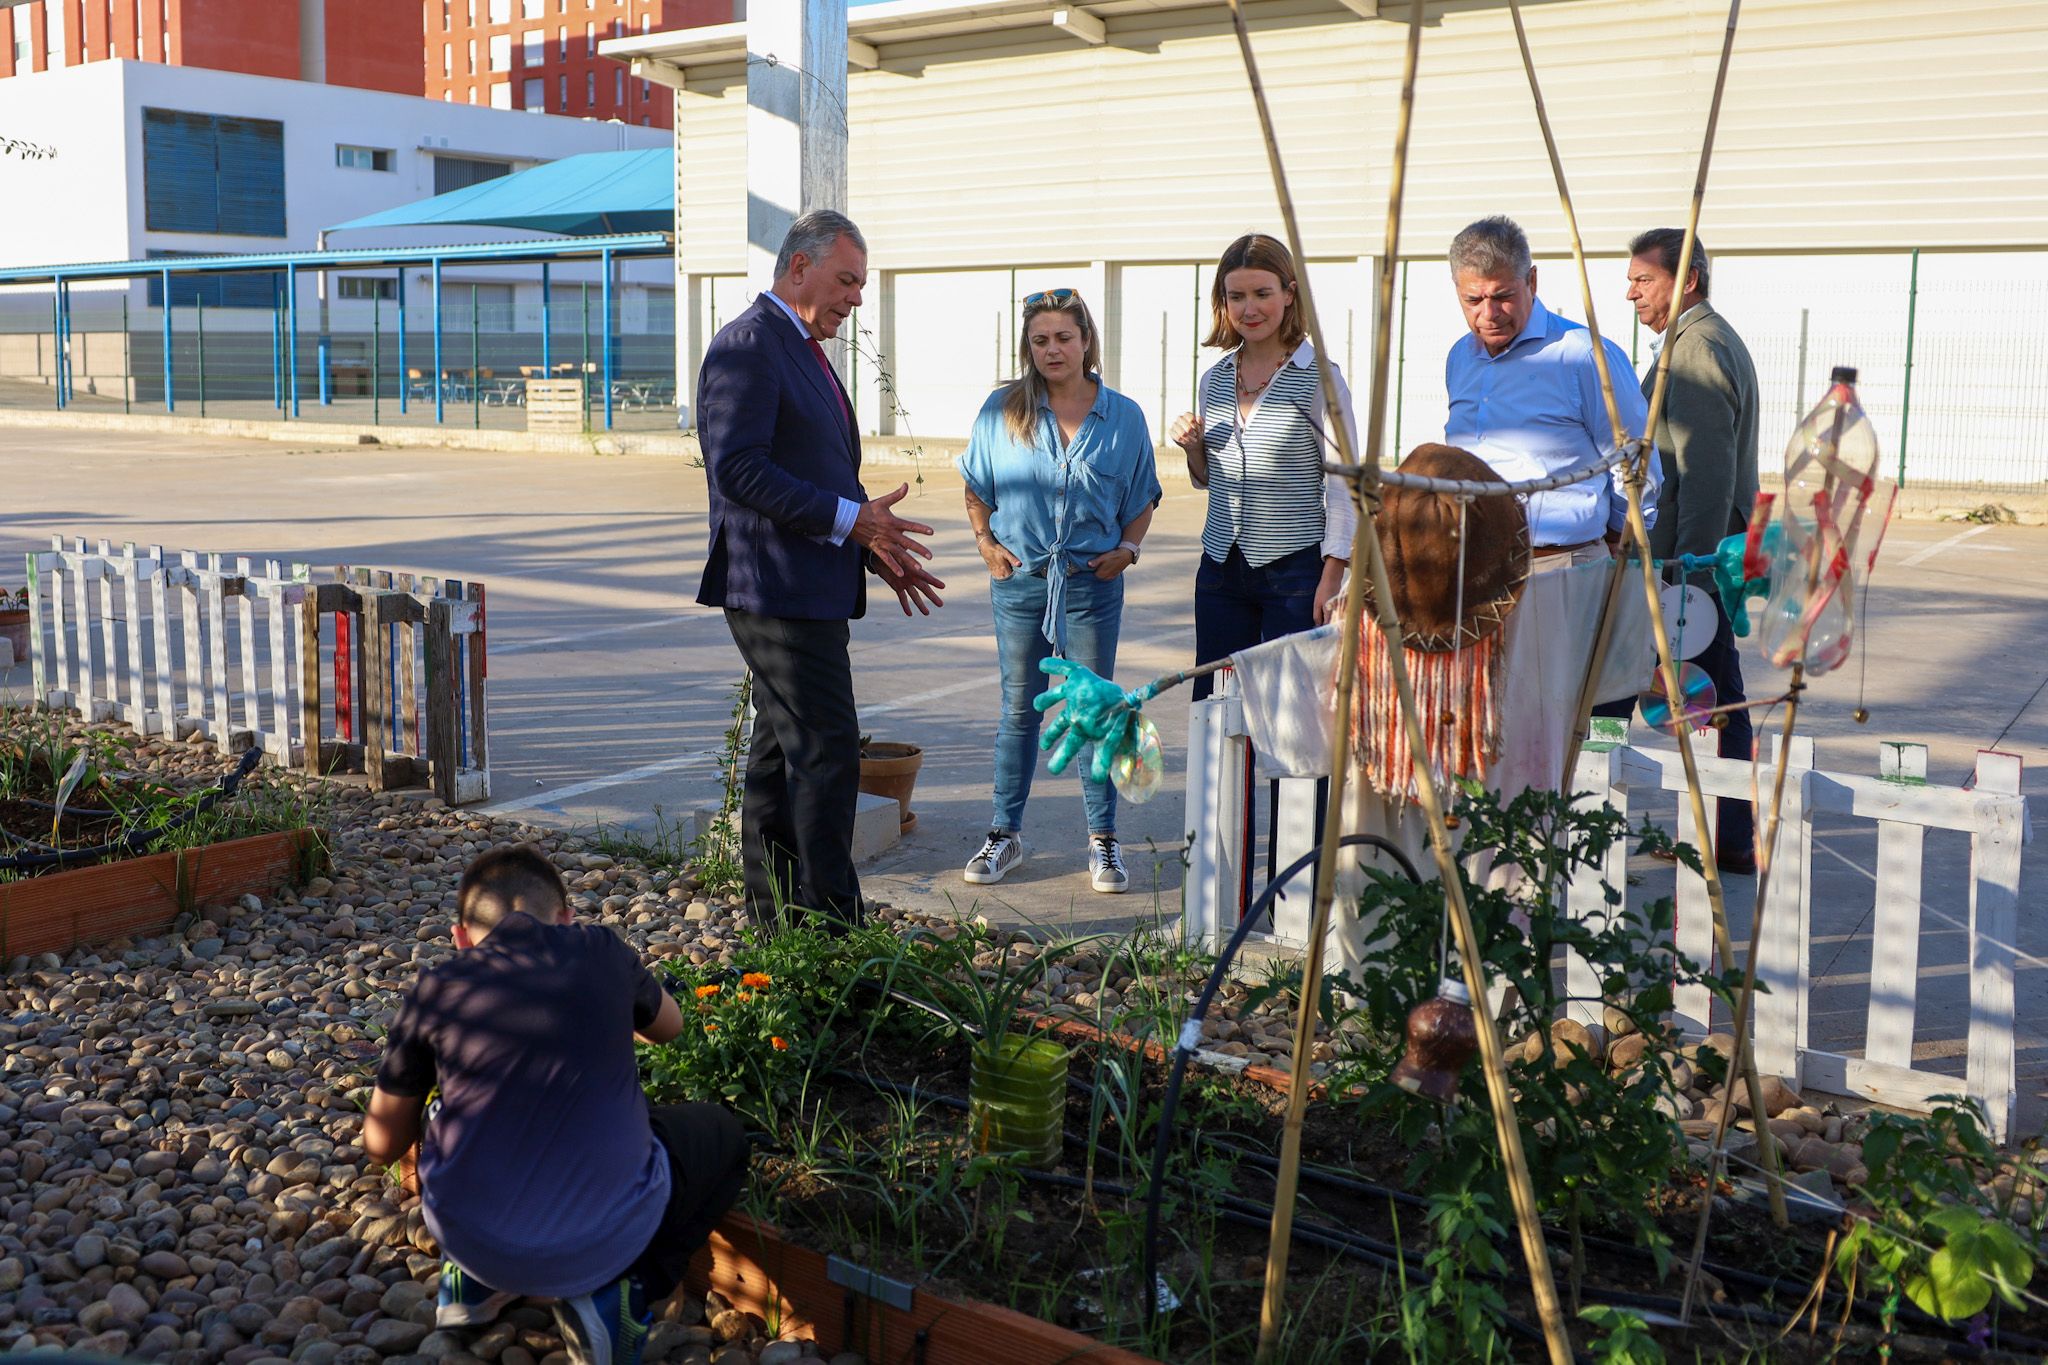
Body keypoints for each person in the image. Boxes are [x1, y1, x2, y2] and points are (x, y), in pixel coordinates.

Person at [362, 845, 749, 1365]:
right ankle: (617, 1293)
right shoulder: (602, 951)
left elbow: (382, 1144)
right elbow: (669, 1028)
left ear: (459, 937)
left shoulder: (435, 991)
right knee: (721, 1133)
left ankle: (475, 1283)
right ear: (567, 917)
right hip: (602, 1233)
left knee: (443, 1113)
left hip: (468, 1231)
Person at [694, 209, 946, 932]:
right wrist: (850, 520)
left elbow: (815, 470)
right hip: (775, 590)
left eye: (861, 284)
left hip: (807, 585)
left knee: (781, 761)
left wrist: (869, 541)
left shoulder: (801, 348)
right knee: (829, 754)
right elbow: (738, 467)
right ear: (798, 267)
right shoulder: (749, 345)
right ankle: (835, 929)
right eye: (847, 280)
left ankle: (780, 929)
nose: (857, 298)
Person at [958, 288, 1162, 893]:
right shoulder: (1002, 411)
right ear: (1029, 347)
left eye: (1063, 337)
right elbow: (977, 487)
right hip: (1020, 584)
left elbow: (1142, 497)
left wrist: (1128, 550)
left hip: (1090, 587)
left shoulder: (1122, 417)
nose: (1053, 349)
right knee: (1018, 710)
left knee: (1094, 710)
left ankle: (1103, 841)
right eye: (1041, 339)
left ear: (1086, 341)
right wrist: (984, 543)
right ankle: (1005, 834)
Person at [1168, 233, 1358, 700]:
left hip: (1295, 573)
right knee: (1214, 703)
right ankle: (1217, 779)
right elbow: (1210, 478)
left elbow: (1345, 485)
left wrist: (1333, 577)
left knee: (1292, 712)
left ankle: (1288, 780)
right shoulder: (1213, 379)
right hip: (1219, 570)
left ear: (1290, 294)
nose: (1249, 308)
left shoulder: (1322, 379)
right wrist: (1194, 449)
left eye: (1262, 294)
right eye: (1236, 296)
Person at [1623, 228, 1759, 874]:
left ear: (1688, 282)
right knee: (1707, 695)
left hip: (1687, 563)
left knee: (1708, 696)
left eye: (1643, 280)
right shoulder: (1692, 340)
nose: (1631, 292)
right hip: (1684, 560)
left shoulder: (1698, 348)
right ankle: (1723, 833)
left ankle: (1728, 834)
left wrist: (1688, 574)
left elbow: (1705, 471)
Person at [1443, 215, 1661, 571]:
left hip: (1560, 564)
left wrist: (1616, 543)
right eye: (1473, 299)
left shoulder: (1584, 357)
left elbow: (1635, 460)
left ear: (1532, 280)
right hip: (1472, 566)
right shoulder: (1460, 358)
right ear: (1456, 288)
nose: (1489, 313)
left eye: (1502, 296)